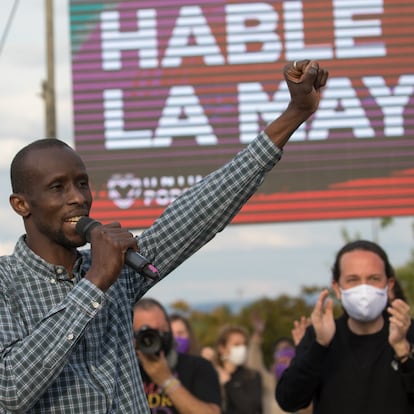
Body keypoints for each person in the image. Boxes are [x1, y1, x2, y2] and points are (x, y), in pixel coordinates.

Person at [0, 59, 328, 413]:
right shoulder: (7, 283)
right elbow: (11, 389)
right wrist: (93, 285)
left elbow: (200, 210)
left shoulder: (115, 267)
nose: (78, 197)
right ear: (21, 205)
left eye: (81, 183)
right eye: (57, 187)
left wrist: (294, 114)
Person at [276, 239, 414, 414]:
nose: (364, 289)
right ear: (337, 288)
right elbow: (289, 400)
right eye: (353, 280)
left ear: (389, 285)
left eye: (374, 279)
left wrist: (403, 352)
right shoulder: (319, 336)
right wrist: (319, 347)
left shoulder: (409, 334)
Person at [133, 298, 221, 414]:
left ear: (168, 329)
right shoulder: (125, 373)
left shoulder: (198, 367)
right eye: (144, 333)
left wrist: (166, 380)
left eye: (158, 331)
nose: (151, 339)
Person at [215, 323, 263, 414]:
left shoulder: (252, 376)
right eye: (236, 345)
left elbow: (251, 409)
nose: (242, 348)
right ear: (222, 348)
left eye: (244, 344)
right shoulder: (211, 373)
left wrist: (229, 383)